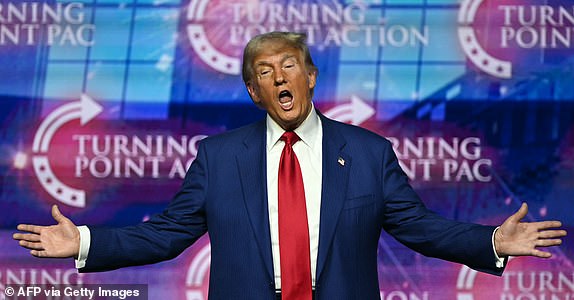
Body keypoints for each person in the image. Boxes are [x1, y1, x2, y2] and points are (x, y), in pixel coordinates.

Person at [14, 32, 566, 300]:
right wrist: (84, 243)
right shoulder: (218, 157)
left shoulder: (370, 154)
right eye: (265, 72)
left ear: (311, 76)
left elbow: (420, 228)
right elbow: (165, 237)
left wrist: (491, 241)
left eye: (290, 66)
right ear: (255, 92)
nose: (280, 78)